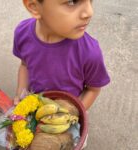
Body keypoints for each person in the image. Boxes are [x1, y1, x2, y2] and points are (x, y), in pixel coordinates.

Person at [13, 0, 110, 149]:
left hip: (70, 111)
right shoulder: (22, 33)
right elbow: (25, 65)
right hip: (36, 108)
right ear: (34, 7)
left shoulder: (90, 53)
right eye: (72, 2)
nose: (89, 12)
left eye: (90, 0)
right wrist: (21, 94)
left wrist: (72, 116)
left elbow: (93, 89)